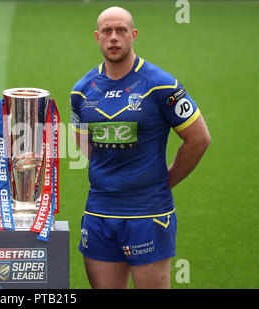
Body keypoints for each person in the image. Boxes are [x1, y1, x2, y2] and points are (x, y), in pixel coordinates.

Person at [70, 6, 210, 289]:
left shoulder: (161, 85)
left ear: (133, 35)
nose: (113, 37)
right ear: (97, 37)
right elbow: (82, 140)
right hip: (100, 213)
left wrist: (166, 180)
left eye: (120, 30)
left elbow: (198, 138)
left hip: (148, 214)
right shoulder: (82, 90)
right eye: (107, 31)